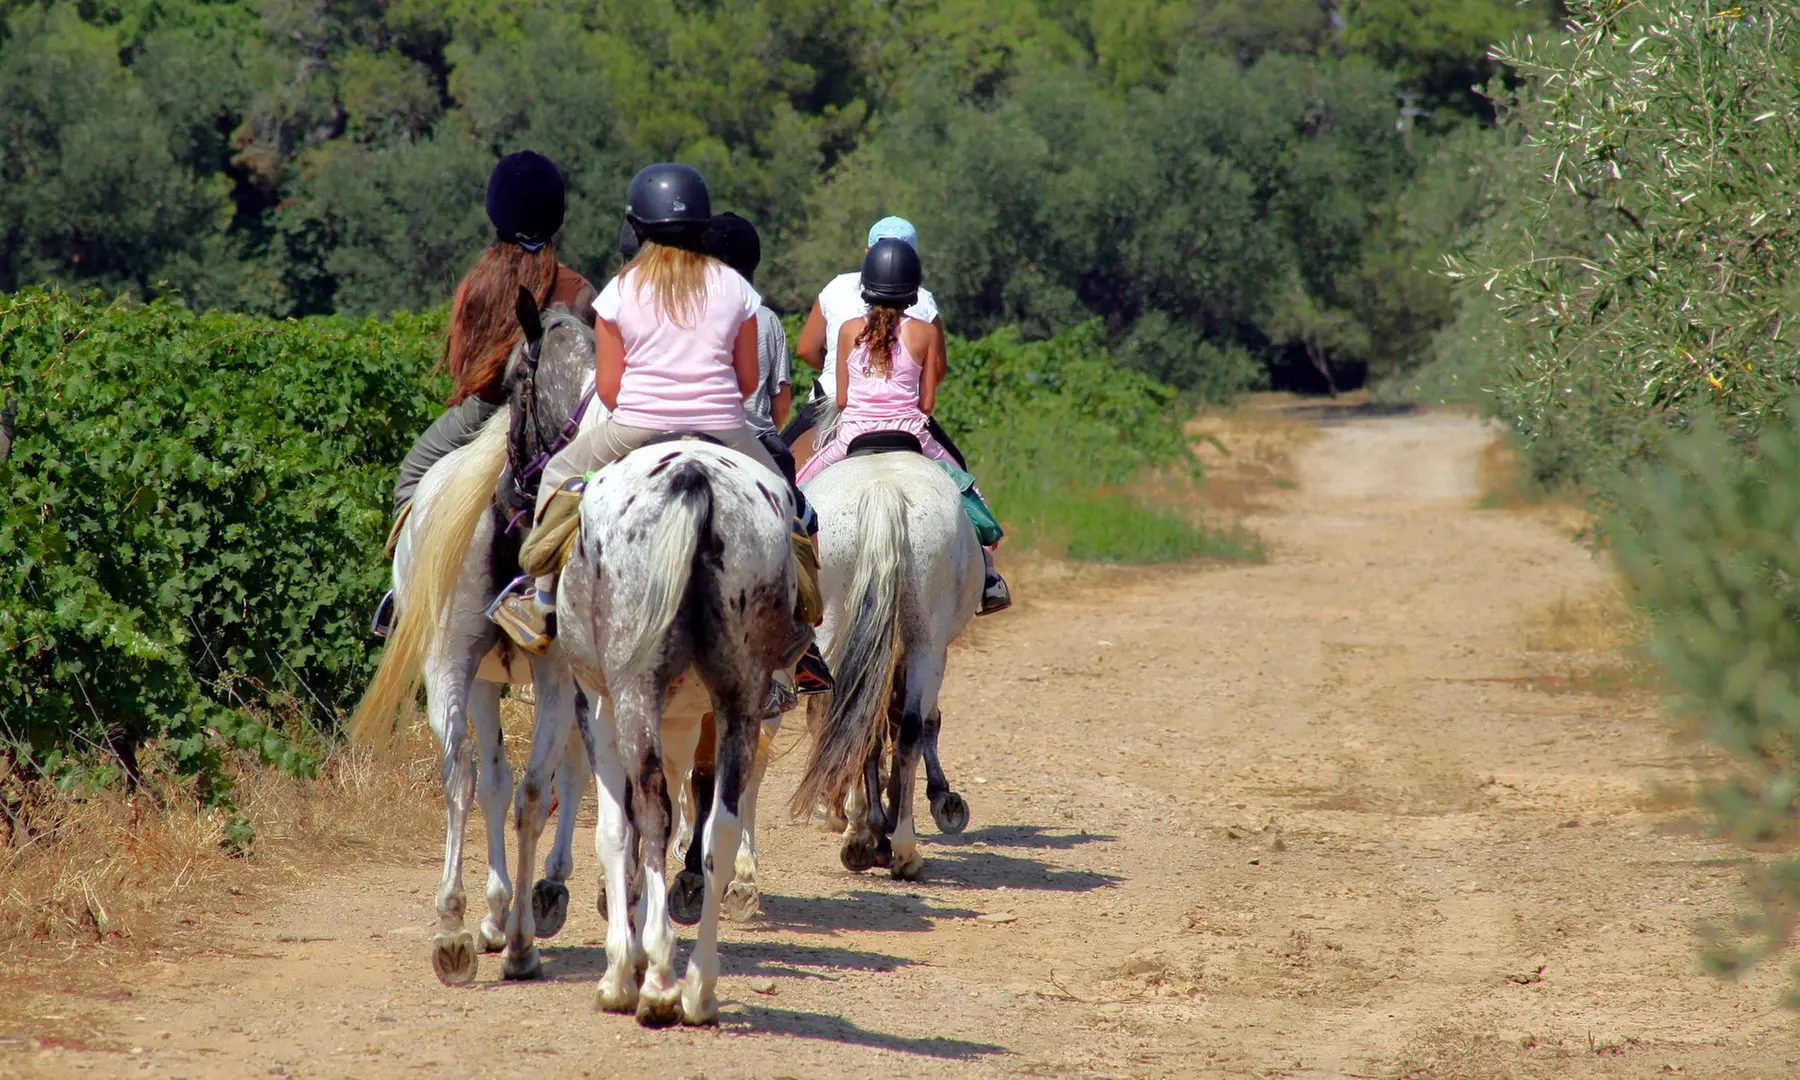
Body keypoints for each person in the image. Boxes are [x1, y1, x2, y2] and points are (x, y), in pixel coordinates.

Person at [490, 163, 833, 692]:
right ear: (700, 225)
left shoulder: (618, 293)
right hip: (725, 429)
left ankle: (540, 602)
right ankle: (793, 620)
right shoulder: (735, 290)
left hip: (635, 428)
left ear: (637, 224)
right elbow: (745, 383)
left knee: (560, 470)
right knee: (791, 503)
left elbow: (608, 390)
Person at [798, 239, 1011, 615]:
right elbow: (926, 405)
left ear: (866, 286)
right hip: (911, 433)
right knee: (967, 491)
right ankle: (989, 576)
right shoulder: (925, 332)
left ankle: (794, 577)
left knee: (796, 490)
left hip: (852, 434)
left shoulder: (849, 329)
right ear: (913, 289)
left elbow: (843, 402)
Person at [391, 151, 596, 513]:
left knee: (411, 477)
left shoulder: (476, 285)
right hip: (557, 421)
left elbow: (461, 370)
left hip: (483, 413)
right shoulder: (580, 291)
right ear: (556, 216)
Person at [786, 217, 966, 471]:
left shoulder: (838, 293)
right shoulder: (924, 304)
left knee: (784, 473)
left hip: (841, 411)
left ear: (868, 255)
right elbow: (935, 376)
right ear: (912, 263)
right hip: (908, 422)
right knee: (961, 475)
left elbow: (806, 350)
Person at [701, 211, 795, 486]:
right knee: (803, 515)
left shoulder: (683, 311)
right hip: (753, 442)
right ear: (754, 266)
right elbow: (781, 405)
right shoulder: (766, 318)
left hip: (690, 434)